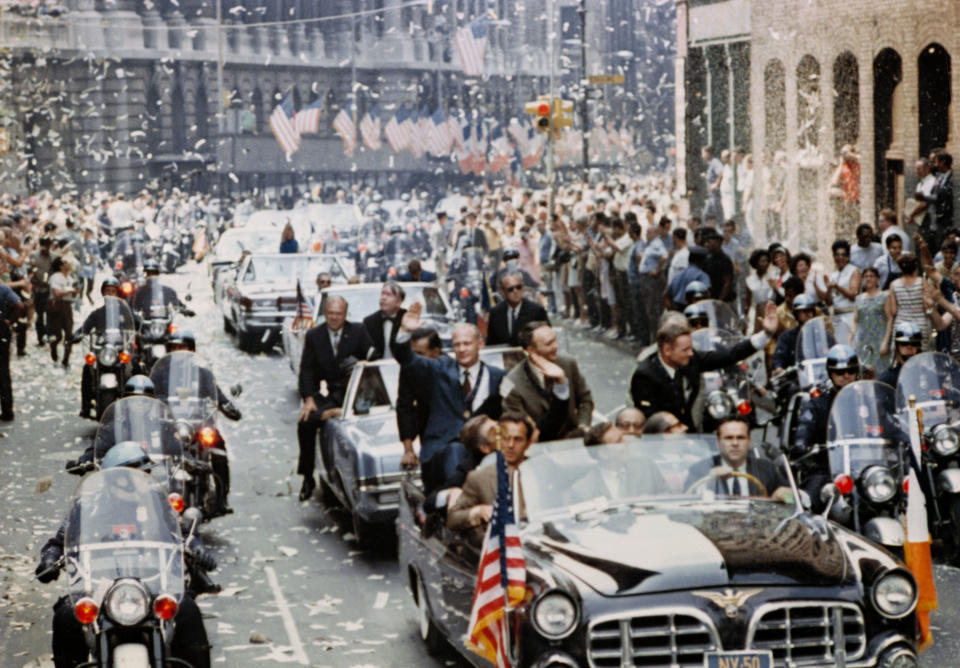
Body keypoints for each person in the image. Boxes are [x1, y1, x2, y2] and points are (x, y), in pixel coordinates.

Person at [36, 452, 212, 668]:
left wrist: (198, 550)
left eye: (146, 474)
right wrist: (50, 560)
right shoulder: (87, 506)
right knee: (65, 616)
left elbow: (184, 533)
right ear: (117, 480)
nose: (144, 480)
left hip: (154, 582)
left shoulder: (158, 502)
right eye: (138, 475)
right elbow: (59, 540)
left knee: (187, 611)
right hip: (98, 587)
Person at [396, 303, 506, 493]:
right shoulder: (439, 370)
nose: (462, 349)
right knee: (456, 452)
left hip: (485, 449)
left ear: (480, 344)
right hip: (443, 450)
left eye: (467, 343)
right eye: (457, 344)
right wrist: (404, 332)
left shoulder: (498, 376)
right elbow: (408, 360)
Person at [630, 302, 777, 430]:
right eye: (685, 350)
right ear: (667, 350)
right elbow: (651, 423)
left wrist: (765, 334)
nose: (690, 354)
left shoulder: (690, 360)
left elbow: (729, 355)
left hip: (691, 434)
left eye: (691, 348)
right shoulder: (645, 375)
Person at [296, 296, 373, 501]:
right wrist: (309, 399)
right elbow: (306, 370)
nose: (334, 317)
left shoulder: (358, 331)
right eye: (330, 313)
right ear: (325, 313)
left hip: (356, 392)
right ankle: (307, 477)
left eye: (338, 314)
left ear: (345, 314)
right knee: (306, 421)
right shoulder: (314, 335)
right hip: (330, 393)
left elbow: (372, 360)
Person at [792, 344, 861, 510]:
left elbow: (887, 422)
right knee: (808, 501)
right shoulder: (818, 405)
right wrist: (802, 442)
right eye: (839, 372)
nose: (846, 376)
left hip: (863, 467)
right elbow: (805, 426)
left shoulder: (866, 401)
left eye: (850, 371)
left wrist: (902, 436)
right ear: (831, 374)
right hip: (827, 469)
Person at [502, 322, 593, 441]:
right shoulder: (511, 382)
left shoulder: (568, 363)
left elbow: (585, 399)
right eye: (548, 344)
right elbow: (521, 428)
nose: (555, 346)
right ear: (531, 350)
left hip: (574, 441)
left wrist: (582, 426)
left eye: (555, 340)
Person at [447, 412, 532, 539]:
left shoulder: (541, 470)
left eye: (518, 439)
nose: (510, 445)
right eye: (505, 438)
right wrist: (479, 511)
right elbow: (453, 519)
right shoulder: (478, 477)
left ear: (528, 443)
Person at [684, 417, 791, 500]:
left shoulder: (767, 468)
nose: (735, 443)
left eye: (741, 438)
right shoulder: (700, 469)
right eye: (728, 438)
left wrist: (787, 495)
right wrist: (709, 480)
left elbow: (794, 497)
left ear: (749, 441)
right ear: (718, 441)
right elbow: (686, 503)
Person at [423, 415, 497, 514]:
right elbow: (430, 502)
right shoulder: (469, 468)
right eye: (495, 433)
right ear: (485, 448)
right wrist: (449, 494)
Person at [397, 327, 443, 469]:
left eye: (420, 354)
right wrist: (409, 450)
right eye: (413, 353)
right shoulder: (409, 369)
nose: (414, 359)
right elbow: (405, 406)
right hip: (426, 432)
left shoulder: (451, 368)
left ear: (435, 352)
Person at [486, 270, 549, 347]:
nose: (515, 291)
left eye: (518, 287)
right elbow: (491, 343)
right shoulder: (495, 313)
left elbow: (547, 338)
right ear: (502, 291)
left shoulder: (537, 311)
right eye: (510, 289)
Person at [851, 266, 890, 374]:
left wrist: (886, 341)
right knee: (865, 370)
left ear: (877, 279)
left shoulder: (884, 296)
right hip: (864, 340)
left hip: (879, 339)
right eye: (866, 276)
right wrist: (851, 339)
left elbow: (890, 319)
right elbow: (855, 320)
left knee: (881, 370)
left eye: (871, 276)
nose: (868, 279)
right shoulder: (858, 299)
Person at [770, 295, 819, 374]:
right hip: (795, 378)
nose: (807, 314)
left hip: (819, 377)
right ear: (796, 313)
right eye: (803, 311)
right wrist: (779, 369)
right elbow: (778, 359)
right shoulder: (786, 337)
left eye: (810, 311)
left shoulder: (821, 335)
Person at [362, 282, 407, 360]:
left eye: (389, 295)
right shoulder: (369, 321)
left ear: (399, 302)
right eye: (382, 294)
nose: (383, 298)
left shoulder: (407, 318)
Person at [47, 257, 78, 368]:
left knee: (69, 334)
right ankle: (53, 347)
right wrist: (70, 290)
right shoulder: (56, 277)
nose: (68, 263)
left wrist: (75, 292)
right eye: (65, 262)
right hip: (57, 306)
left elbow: (73, 295)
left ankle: (66, 359)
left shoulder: (70, 278)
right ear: (61, 266)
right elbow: (57, 293)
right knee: (58, 335)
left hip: (67, 306)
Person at [823, 239, 861, 328]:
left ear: (848, 257)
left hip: (850, 314)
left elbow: (854, 295)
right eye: (837, 255)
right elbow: (829, 303)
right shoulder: (834, 275)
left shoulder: (853, 271)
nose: (840, 258)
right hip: (836, 316)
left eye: (843, 255)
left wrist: (837, 286)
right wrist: (828, 289)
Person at [0, 280, 23, 421]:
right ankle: (7, 411)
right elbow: (19, 305)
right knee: (3, 371)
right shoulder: (3, 289)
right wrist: (11, 321)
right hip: (1, 330)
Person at [877, 322, 923, 388]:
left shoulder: (927, 375)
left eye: (914, 343)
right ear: (897, 346)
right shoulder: (886, 379)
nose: (909, 347)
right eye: (904, 343)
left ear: (918, 347)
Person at [666, 245, 711, 310]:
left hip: (677, 311)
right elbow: (707, 294)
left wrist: (671, 311)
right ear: (702, 261)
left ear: (689, 259)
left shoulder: (679, 274)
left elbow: (666, 295)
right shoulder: (702, 276)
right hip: (693, 311)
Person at [28, 235, 54, 345]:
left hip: (49, 290)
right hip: (37, 289)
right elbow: (29, 272)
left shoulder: (53, 257)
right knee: (39, 314)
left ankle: (49, 335)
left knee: (49, 313)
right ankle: (40, 336)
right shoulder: (34, 256)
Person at [702, 145, 725, 223]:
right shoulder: (710, 164)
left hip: (716, 195)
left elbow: (722, 172)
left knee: (716, 216)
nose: (702, 156)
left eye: (703, 153)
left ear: (708, 153)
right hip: (711, 196)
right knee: (706, 216)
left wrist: (716, 184)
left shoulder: (715, 162)